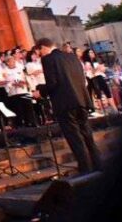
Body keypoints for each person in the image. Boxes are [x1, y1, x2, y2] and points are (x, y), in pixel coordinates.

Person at [37, 37, 102, 173]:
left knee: (75, 138)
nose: (40, 55)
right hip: (81, 100)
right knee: (87, 135)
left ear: (43, 47)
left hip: (65, 103)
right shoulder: (72, 57)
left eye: (39, 51)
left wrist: (40, 91)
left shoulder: (48, 59)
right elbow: (81, 78)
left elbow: (53, 83)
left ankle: (85, 168)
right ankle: (98, 164)